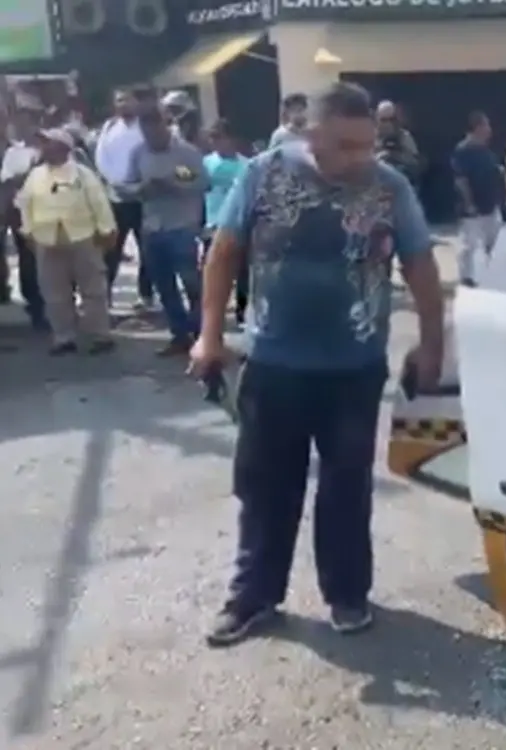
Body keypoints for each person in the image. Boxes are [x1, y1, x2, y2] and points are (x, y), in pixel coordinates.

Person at [190, 81, 443, 647]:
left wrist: (432, 347)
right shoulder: (264, 173)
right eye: (346, 145)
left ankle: (348, 594)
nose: (362, 158)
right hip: (274, 364)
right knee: (265, 488)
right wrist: (209, 336)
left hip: (353, 369)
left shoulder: (389, 187)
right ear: (310, 134)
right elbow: (225, 252)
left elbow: (423, 267)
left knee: (346, 488)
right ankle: (253, 597)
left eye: (368, 144)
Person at [14, 128, 117, 354]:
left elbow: (99, 202)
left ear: (64, 147)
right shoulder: (36, 175)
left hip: (82, 236)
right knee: (54, 292)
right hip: (47, 239)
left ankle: (100, 335)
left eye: (49, 143)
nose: (45, 148)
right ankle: (63, 337)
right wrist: (28, 232)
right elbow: (25, 204)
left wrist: (106, 229)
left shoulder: (82, 174)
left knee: (92, 289)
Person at [126, 107, 209, 356]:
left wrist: (173, 184)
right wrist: (141, 189)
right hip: (152, 227)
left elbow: (200, 182)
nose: (152, 137)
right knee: (164, 285)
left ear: (166, 127)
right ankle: (179, 334)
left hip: (181, 225)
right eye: (147, 132)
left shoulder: (185, 154)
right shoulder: (139, 153)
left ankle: (201, 331)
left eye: (156, 130)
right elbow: (127, 185)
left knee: (191, 282)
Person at [95, 86, 154, 309]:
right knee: (111, 249)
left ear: (136, 103)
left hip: (142, 197)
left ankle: (146, 295)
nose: (123, 104)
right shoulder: (109, 128)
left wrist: (139, 184)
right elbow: (101, 158)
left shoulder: (146, 128)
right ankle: (104, 295)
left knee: (146, 249)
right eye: (119, 100)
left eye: (127, 100)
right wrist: (114, 182)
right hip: (116, 197)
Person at [1, 107, 47, 329]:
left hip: (48, 214)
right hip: (21, 214)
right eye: (17, 121)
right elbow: (8, 183)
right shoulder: (14, 152)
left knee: (46, 262)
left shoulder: (48, 147)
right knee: (27, 262)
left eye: (25, 121)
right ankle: (35, 305)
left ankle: (50, 306)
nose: (21, 125)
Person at [202, 119, 250, 326]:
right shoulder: (205, 163)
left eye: (219, 137)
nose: (215, 142)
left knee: (242, 273)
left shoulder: (247, 166)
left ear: (231, 139)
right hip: (212, 224)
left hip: (239, 226)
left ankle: (243, 311)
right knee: (213, 271)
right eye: (212, 137)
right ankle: (213, 316)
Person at [451, 110, 503, 286]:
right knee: (469, 245)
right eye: (486, 125)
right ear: (478, 127)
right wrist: (469, 203)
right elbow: (461, 179)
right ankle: (465, 278)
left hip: (490, 205)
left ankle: (489, 274)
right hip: (472, 209)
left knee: (493, 243)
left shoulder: (485, 150)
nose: (489, 129)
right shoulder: (463, 150)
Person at [374, 100, 422, 186]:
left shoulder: (404, 136)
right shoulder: (371, 137)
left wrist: (394, 156)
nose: (387, 124)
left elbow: (415, 164)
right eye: (384, 120)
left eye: (391, 119)